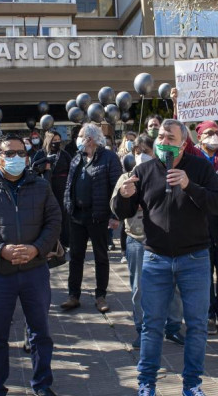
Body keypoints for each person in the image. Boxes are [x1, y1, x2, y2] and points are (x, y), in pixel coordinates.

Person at [113, 119, 218, 396]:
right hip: (155, 259)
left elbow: (217, 204)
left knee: (197, 325)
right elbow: (123, 211)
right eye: (160, 136)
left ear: (184, 144)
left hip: (195, 259)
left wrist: (189, 186)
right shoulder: (144, 170)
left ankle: (192, 384)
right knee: (152, 325)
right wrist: (122, 196)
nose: (162, 141)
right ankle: (146, 383)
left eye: (169, 137)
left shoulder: (201, 169)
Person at [0, 133, 61, 396]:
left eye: (21, 153)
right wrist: (1, 250)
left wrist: (36, 249)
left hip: (34, 271)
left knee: (40, 333)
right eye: (10, 153)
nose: (16, 158)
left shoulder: (41, 186)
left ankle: (42, 385)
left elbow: (54, 221)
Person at [111, 134, 185, 349]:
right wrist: (126, 197)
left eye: (146, 151)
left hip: (167, 240)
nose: (141, 155)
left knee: (173, 287)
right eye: (136, 152)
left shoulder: (168, 174)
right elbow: (115, 207)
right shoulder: (128, 176)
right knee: (140, 288)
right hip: (137, 239)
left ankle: (172, 328)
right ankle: (142, 330)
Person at [61, 123, 122, 313]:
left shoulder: (109, 158)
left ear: (91, 138)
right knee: (76, 257)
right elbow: (69, 185)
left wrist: (115, 215)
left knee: (101, 257)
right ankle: (73, 295)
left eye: (81, 135)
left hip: (99, 217)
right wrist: (67, 206)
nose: (78, 139)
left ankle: (100, 296)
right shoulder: (76, 158)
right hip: (77, 216)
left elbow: (117, 188)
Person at [192, 120, 218, 333]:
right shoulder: (195, 155)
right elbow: (181, 136)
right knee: (204, 271)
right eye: (209, 133)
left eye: (217, 132)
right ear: (199, 137)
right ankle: (208, 314)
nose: (214, 136)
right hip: (199, 222)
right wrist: (177, 105)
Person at [32, 130, 72, 246]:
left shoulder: (64, 154)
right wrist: (44, 167)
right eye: (54, 140)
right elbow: (33, 169)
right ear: (49, 140)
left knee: (63, 215)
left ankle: (65, 242)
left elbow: (71, 170)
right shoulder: (41, 154)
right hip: (45, 186)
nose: (57, 143)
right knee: (47, 215)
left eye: (59, 140)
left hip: (62, 188)